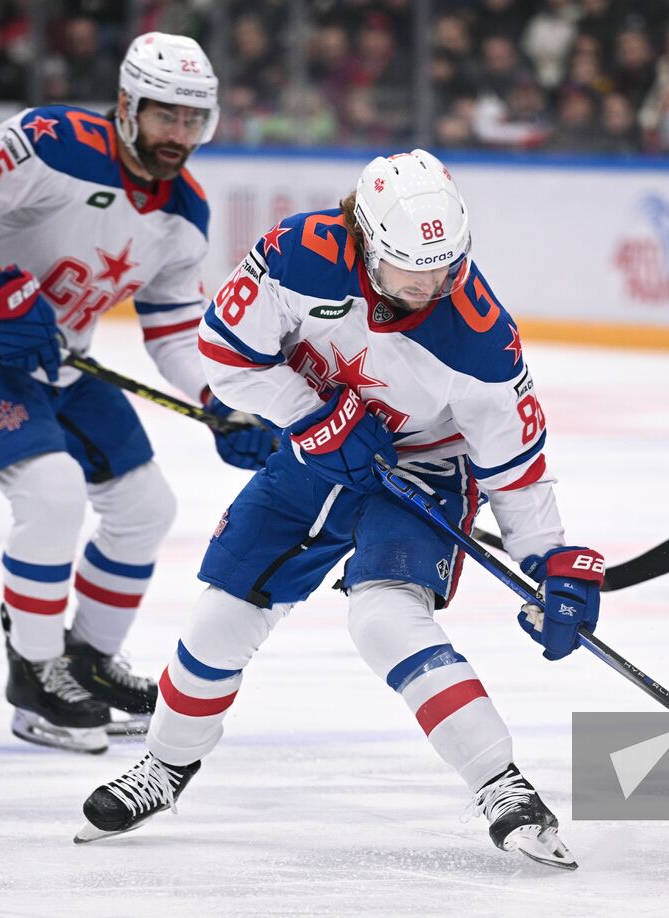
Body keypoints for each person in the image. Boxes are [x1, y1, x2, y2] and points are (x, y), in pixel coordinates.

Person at [75, 149, 603, 869]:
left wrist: (551, 562)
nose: (430, 287)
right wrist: (312, 416)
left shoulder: (479, 339)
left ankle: (502, 785)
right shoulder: (300, 254)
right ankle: (165, 768)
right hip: (309, 454)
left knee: (384, 616)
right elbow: (224, 354)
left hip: (421, 467)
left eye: (446, 268)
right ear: (364, 241)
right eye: (411, 270)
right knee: (219, 620)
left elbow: (514, 468)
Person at [0, 33, 275, 755]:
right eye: (166, 117)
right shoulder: (53, 140)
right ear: (128, 105)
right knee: (51, 494)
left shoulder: (184, 212)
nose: (180, 136)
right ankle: (35, 676)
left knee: (146, 507)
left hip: (62, 363)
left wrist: (220, 401)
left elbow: (171, 329)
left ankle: (87, 662)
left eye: (193, 121)